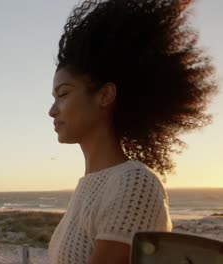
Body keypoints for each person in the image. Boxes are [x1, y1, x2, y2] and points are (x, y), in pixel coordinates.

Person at [47, 0, 217, 263]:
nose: (53, 110)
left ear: (105, 95)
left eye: (64, 94)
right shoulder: (90, 185)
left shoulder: (133, 183)